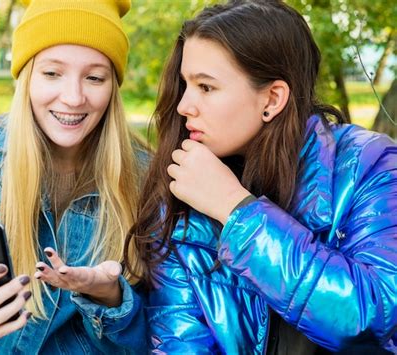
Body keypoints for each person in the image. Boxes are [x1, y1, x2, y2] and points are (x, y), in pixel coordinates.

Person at [125, 0, 397, 353]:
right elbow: (180, 341)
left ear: (272, 98)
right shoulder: (184, 188)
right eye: (185, 84)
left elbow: (372, 317)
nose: (183, 105)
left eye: (206, 87)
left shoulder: (369, 165)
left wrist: (234, 208)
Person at [0, 0, 148, 353]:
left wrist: (111, 296)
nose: (73, 97)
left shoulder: (144, 173)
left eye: (94, 77)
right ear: (26, 76)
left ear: (113, 86)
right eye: (52, 73)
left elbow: (160, 333)